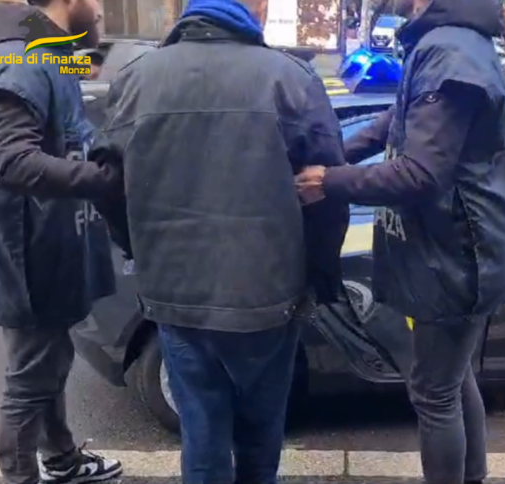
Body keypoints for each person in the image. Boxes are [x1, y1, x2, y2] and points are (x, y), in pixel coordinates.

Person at [91, 0, 350, 482]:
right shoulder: (290, 78)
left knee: (202, 434)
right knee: (261, 433)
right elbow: (328, 193)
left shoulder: (137, 79)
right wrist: (317, 273)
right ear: (257, 7)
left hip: (175, 293)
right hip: (269, 295)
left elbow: (107, 184)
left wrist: (138, 248)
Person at [296, 0, 505, 483]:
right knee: (453, 380)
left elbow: (420, 174)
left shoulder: (450, 52)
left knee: (433, 391)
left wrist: (329, 180)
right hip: (467, 250)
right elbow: (399, 117)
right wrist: (343, 153)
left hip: (461, 255)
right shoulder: (453, 42)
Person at [0, 0, 124, 483]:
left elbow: (69, 124)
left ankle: (62, 460)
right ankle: (21, 475)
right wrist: (106, 179)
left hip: (50, 250)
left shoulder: (47, 57)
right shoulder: (20, 64)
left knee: (49, 366)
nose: (100, 11)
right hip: (28, 259)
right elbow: (12, 162)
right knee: (30, 380)